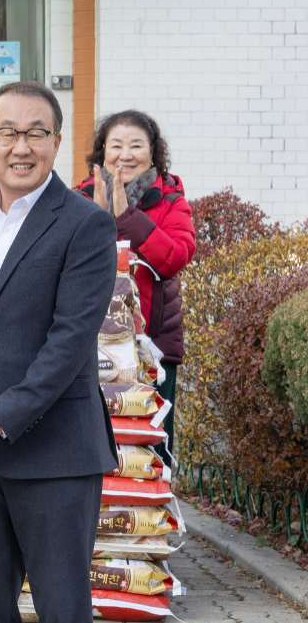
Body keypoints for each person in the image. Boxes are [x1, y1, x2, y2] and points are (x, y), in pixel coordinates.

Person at [0, 80, 118, 623]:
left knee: (62, 610)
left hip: (54, 450)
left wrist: (3, 418)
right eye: (7, 133)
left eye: (36, 133)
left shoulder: (85, 223)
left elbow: (69, 341)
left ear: (56, 141)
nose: (21, 147)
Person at [76, 110, 196, 456]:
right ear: (102, 152)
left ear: (152, 152)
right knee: (90, 440)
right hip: (88, 342)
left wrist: (127, 217)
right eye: (116, 145)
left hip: (152, 347)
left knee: (150, 444)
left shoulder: (171, 201)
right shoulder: (79, 197)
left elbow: (175, 257)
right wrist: (99, 218)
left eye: (136, 146)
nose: (125, 155)